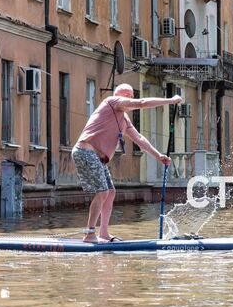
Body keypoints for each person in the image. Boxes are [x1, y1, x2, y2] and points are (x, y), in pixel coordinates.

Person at [72, 83, 183, 243]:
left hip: (97, 158)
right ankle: (89, 233)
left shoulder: (124, 120)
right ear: (119, 95)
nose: (128, 99)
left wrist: (159, 156)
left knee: (110, 192)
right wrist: (171, 101)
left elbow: (139, 139)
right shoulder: (111, 102)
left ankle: (103, 233)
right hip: (85, 151)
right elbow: (142, 103)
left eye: (130, 96)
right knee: (102, 192)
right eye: (126, 96)